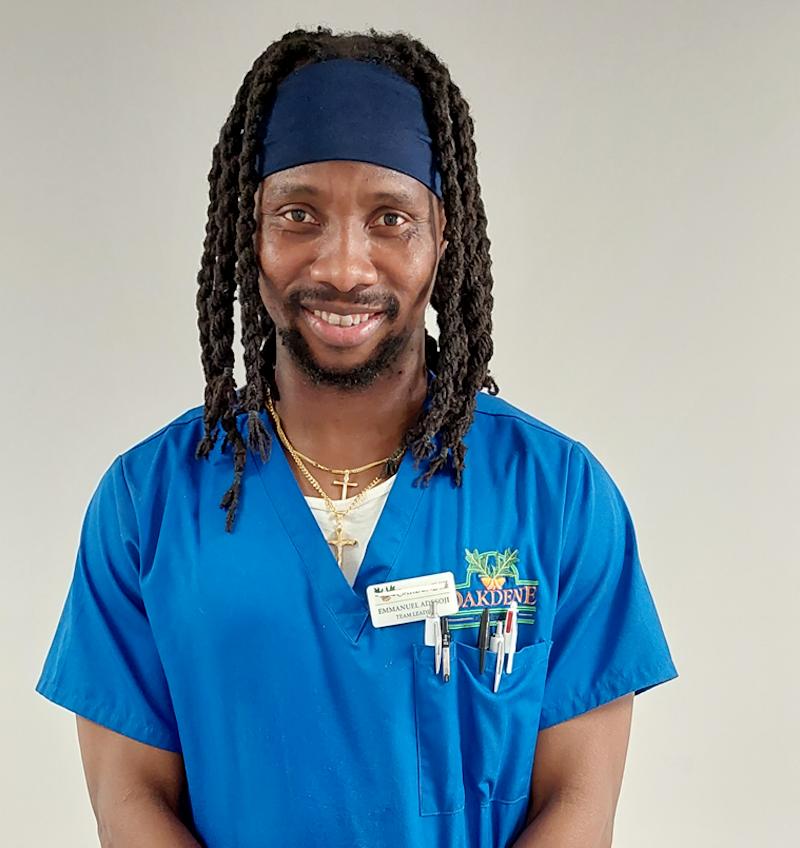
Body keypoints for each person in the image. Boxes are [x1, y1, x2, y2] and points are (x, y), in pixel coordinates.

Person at [35, 26, 678, 848]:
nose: (343, 265)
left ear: (442, 238)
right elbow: (130, 800)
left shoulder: (555, 496)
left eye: (390, 219)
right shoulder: (146, 505)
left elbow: (577, 804)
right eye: (298, 214)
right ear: (249, 230)